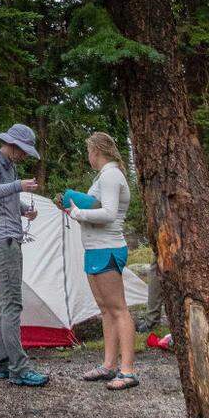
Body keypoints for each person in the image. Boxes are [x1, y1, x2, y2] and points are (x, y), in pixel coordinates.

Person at [61, 131, 138, 391]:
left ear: (96, 151)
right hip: (95, 248)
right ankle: (108, 365)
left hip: (108, 247)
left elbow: (108, 213)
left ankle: (127, 371)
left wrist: (76, 212)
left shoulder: (112, 176)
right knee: (105, 309)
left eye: (88, 152)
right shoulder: (103, 177)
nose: (88, 157)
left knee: (118, 309)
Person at [0, 123, 48, 388]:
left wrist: (24, 210)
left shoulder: (9, 166)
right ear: (13, 145)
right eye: (23, 151)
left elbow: (4, 199)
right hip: (2, 240)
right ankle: (19, 368)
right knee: (13, 304)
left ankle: (0, 365)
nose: (24, 156)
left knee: (6, 304)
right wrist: (18, 186)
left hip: (7, 237)